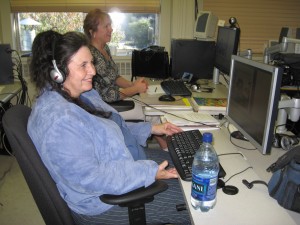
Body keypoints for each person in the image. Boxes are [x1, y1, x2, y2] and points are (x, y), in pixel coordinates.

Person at [28, 30, 191, 225]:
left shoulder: (78, 95)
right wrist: (148, 173)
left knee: (187, 166)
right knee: (199, 199)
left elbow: (110, 129)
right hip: (108, 203)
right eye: (83, 65)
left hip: (123, 168)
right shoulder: (60, 121)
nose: (93, 71)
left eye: (91, 63)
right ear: (58, 72)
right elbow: (92, 178)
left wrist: (152, 129)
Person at [83, 8, 168, 150]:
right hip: (105, 106)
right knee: (150, 111)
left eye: (110, 25)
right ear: (92, 31)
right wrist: (135, 89)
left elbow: (114, 77)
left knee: (152, 108)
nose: (111, 29)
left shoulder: (105, 48)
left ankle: (164, 146)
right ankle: (165, 147)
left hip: (116, 98)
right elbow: (108, 96)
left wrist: (132, 84)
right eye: (106, 26)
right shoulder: (92, 56)